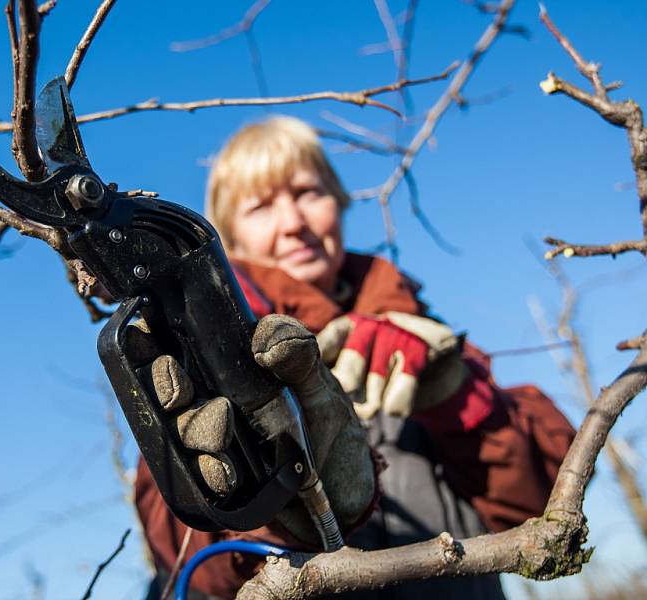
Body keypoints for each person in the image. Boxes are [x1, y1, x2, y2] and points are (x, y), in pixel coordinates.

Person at [135, 116, 575, 599]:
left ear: (339, 205)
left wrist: (459, 396)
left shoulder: (422, 330)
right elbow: (182, 555)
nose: (293, 223)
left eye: (308, 192)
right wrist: (266, 511)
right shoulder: (197, 363)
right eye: (260, 206)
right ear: (230, 240)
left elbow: (541, 509)